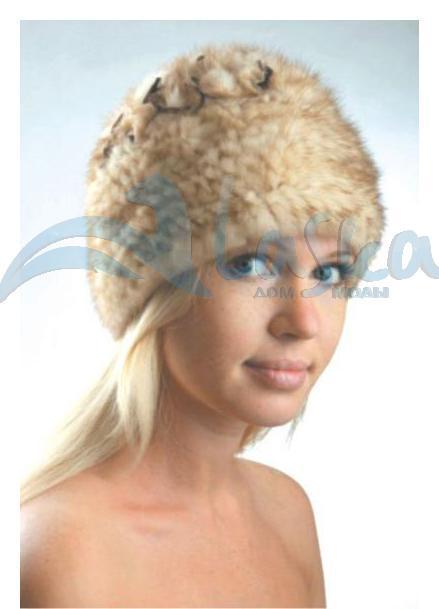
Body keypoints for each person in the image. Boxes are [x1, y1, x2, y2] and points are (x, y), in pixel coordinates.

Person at [20, 41, 386, 608]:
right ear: (152, 295)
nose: (302, 320)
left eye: (330, 272)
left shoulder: (288, 512)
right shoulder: (61, 549)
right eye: (250, 263)